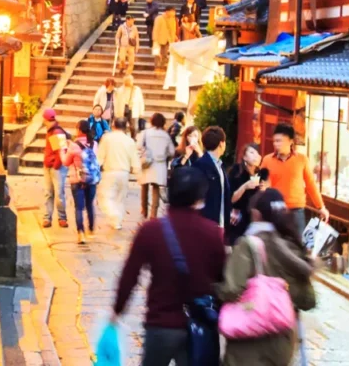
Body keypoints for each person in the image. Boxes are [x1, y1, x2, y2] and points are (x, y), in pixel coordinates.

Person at [112, 168, 227, 366]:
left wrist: (117, 311)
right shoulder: (213, 234)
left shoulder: (150, 231)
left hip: (161, 325)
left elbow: (129, 276)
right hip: (200, 326)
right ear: (199, 198)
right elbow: (222, 280)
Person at [218, 188, 317, 366]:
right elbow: (308, 300)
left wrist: (214, 289)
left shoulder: (248, 245)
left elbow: (231, 289)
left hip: (248, 341)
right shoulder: (294, 247)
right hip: (282, 343)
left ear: (256, 214)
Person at [259, 123, 330, 225]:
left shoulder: (302, 159)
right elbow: (259, 183)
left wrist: (321, 207)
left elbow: (311, 184)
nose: (275, 144)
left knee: (297, 241)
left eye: (279, 141)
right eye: (274, 141)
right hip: (274, 209)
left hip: (296, 210)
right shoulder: (267, 160)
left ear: (290, 141)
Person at [96, 119, 141, 229]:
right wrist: (136, 170)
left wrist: (96, 166)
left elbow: (100, 156)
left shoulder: (107, 138)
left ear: (113, 125)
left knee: (105, 196)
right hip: (124, 173)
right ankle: (117, 222)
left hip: (110, 171)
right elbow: (134, 158)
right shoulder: (129, 140)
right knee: (120, 199)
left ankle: (114, 215)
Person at [64, 120, 100, 243]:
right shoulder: (94, 144)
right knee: (90, 205)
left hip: (77, 179)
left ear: (79, 130)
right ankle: (91, 229)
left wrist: (63, 150)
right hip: (91, 179)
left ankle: (81, 234)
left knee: (79, 208)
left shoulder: (74, 146)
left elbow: (66, 162)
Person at [138, 114, 176, 220]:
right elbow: (172, 152)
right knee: (156, 189)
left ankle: (144, 209)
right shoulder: (165, 136)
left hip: (147, 162)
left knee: (144, 187)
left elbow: (139, 146)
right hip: (160, 164)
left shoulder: (145, 133)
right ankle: (153, 214)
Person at [226, 143, 265, 245]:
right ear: (244, 157)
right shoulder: (236, 171)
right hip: (237, 220)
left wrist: (264, 189)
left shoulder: (260, 174)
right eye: (252, 152)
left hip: (253, 221)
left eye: (258, 153)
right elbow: (231, 199)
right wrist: (245, 186)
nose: (256, 156)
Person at [193, 126, 229, 231]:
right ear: (221, 144)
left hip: (220, 224)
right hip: (206, 225)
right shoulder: (201, 165)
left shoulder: (220, 165)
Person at [41, 110, 70, 228]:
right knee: (49, 193)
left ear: (45, 119)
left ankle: (62, 217)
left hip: (55, 167)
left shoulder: (55, 132)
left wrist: (55, 165)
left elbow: (61, 152)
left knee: (58, 194)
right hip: (49, 166)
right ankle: (47, 217)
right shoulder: (51, 131)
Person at [152, 7, 178, 71]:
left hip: (168, 40)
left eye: (174, 12)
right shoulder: (159, 18)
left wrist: (173, 40)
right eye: (172, 12)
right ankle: (157, 67)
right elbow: (156, 29)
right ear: (167, 11)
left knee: (165, 54)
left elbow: (173, 30)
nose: (174, 13)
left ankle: (162, 67)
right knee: (157, 54)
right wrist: (155, 40)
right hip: (159, 39)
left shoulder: (173, 19)